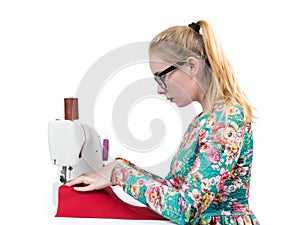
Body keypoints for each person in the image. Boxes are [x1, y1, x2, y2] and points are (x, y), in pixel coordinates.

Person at [67, 20, 260, 225]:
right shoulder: (205, 120)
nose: (160, 89)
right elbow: (174, 189)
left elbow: (185, 208)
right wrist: (119, 166)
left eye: (161, 77)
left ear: (192, 66)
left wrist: (119, 174)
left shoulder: (225, 120)